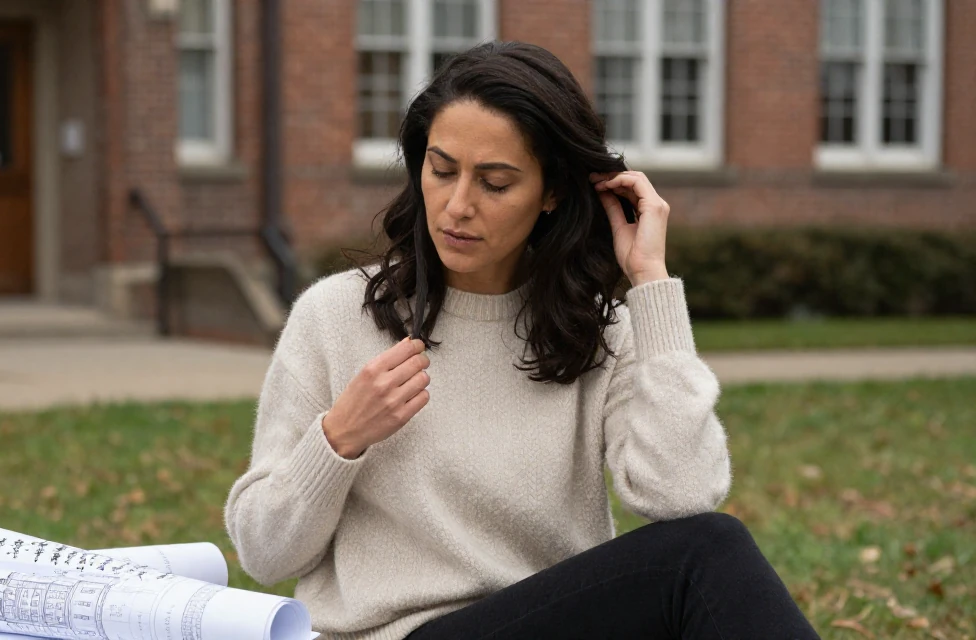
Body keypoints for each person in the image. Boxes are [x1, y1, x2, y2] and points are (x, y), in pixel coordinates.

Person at [224, 41, 820, 640]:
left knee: (707, 547)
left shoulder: (598, 330)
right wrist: (339, 438)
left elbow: (682, 495)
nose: (458, 206)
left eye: (496, 183)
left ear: (551, 193)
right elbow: (265, 554)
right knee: (706, 554)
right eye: (442, 170)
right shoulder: (335, 316)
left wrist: (651, 283)